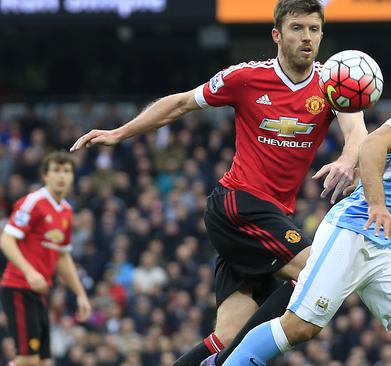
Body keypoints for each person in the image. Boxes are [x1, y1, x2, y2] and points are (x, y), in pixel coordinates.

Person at [69, 1, 367, 365]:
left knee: (225, 338)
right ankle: (245, 356)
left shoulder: (333, 83)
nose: (307, 37)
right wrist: (119, 133)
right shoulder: (245, 77)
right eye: (297, 28)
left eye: (314, 30)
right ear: (277, 35)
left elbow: (357, 134)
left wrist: (347, 160)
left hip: (270, 218)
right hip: (238, 205)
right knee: (314, 273)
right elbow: (180, 104)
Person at [220, 42, 391, 366]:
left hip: (388, 247)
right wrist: (377, 204)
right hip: (353, 232)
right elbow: (373, 144)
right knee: (298, 327)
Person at [0, 151, 92, 366]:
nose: (62, 176)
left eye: (67, 171)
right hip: (19, 287)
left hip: (40, 290)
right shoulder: (33, 202)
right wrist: (30, 272)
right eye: (56, 170)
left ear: (72, 177)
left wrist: (80, 294)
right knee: (28, 360)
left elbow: (62, 255)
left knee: (43, 362)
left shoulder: (67, 211)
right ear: (45, 175)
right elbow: (6, 240)